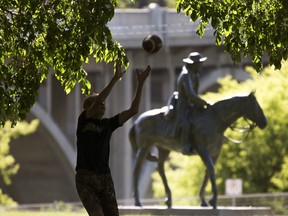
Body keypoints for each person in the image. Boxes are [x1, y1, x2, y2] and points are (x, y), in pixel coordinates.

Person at [75, 62, 151, 216]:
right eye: (97, 102)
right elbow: (99, 99)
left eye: (103, 103)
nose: (102, 103)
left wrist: (141, 83)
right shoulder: (84, 120)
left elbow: (133, 110)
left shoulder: (108, 124)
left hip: (105, 178)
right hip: (85, 178)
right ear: (88, 108)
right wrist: (115, 78)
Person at [165, 52, 209, 155]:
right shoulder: (185, 75)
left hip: (191, 105)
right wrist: (204, 103)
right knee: (186, 123)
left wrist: (200, 105)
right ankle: (185, 146)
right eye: (199, 63)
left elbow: (196, 94)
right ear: (193, 64)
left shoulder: (195, 75)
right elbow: (190, 94)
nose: (201, 66)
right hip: (182, 106)